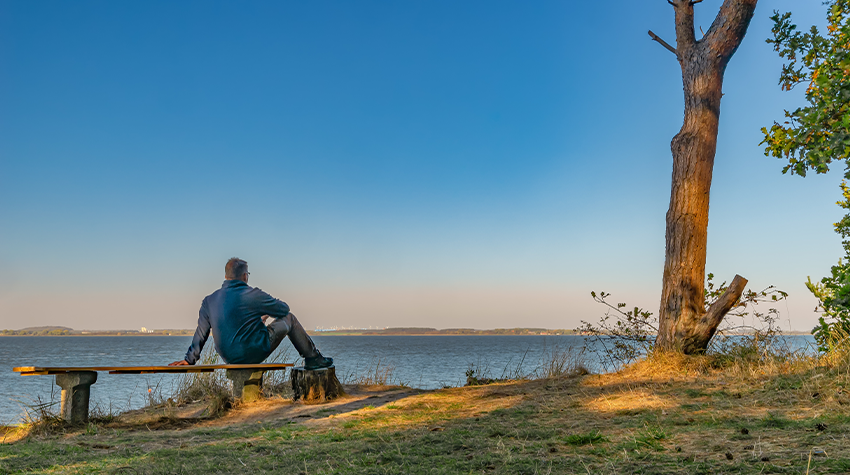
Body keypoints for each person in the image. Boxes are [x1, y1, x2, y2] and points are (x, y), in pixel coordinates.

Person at [168, 258, 333, 370]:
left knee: (267, 323)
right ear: (245, 276)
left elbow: (201, 333)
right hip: (253, 353)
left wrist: (189, 360)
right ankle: (313, 359)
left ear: (226, 276)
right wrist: (263, 309)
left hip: (229, 358)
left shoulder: (209, 300)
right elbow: (284, 310)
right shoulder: (253, 294)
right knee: (289, 319)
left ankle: (314, 358)